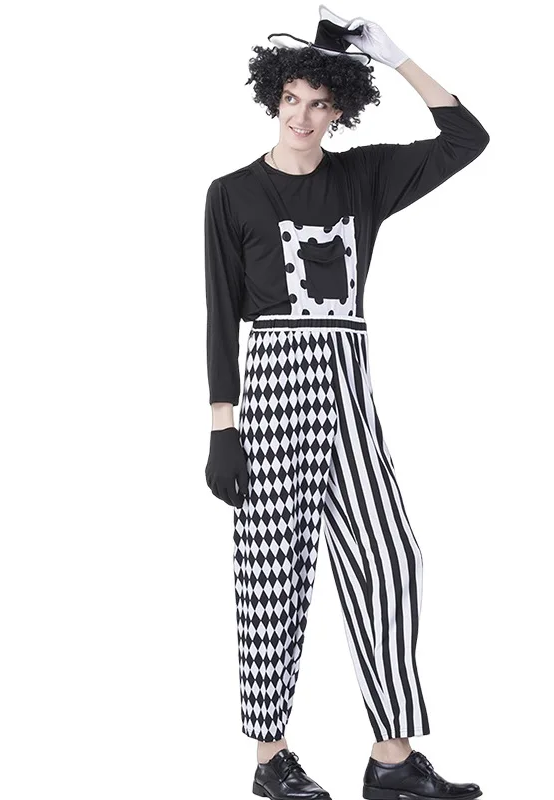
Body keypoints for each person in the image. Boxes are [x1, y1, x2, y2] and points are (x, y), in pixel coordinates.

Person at [204, 6, 490, 799]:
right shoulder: (231, 194)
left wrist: (399, 60)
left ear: (341, 111)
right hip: (271, 391)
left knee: (390, 558)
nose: (302, 117)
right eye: (292, 99)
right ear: (274, 98)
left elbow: (467, 139)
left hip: (348, 388)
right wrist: (223, 427)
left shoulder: (363, 180)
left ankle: (391, 760)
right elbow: (219, 313)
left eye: (321, 104)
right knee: (272, 576)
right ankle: (270, 760)